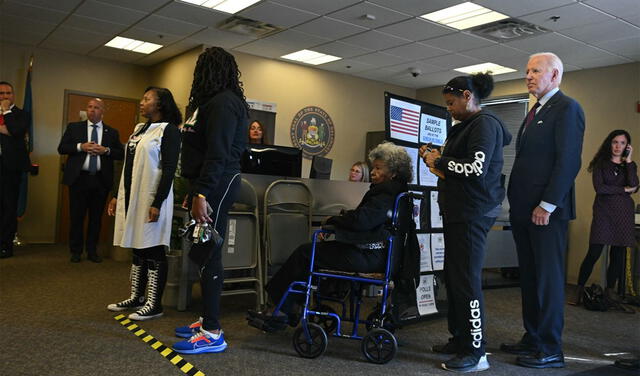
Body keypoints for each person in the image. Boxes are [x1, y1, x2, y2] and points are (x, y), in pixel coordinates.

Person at [247, 142, 411, 331]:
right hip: (380, 255)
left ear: (393, 172)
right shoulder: (399, 193)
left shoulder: (385, 193)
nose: (373, 172)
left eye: (378, 168)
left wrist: (334, 221)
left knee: (305, 253)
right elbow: (367, 222)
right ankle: (289, 307)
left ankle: (281, 310)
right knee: (312, 253)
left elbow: (362, 221)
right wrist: (341, 221)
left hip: (368, 257)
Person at [420, 73, 511, 373]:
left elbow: (474, 169)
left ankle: (476, 352)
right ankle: (460, 339)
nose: (448, 108)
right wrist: (435, 162)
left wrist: (439, 160)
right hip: (458, 212)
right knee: (455, 277)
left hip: (472, 214)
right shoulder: (464, 127)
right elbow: (456, 173)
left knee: (468, 281)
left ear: (467, 96)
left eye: (451, 102)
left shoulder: (484, 125)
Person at [502, 52, 585, 369]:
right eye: (527, 71)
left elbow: (568, 161)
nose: (528, 75)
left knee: (548, 281)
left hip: (546, 212)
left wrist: (547, 204)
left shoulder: (567, 108)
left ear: (555, 76)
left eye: (536, 70)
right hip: (524, 211)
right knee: (530, 278)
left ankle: (551, 348)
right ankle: (533, 337)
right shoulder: (534, 110)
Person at [171, 47, 249, 354]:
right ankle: (207, 318)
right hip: (207, 183)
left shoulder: (223, 104)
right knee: (202, 251)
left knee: (209, 250)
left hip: (218, 183)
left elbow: (218, 153)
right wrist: (195, 190)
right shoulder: (210, 103)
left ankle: (213, 332)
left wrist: (203, 192)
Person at [106, 87, 182, 321]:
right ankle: (137, 297)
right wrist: (117, 195)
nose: (141, 102)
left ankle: (154, 303)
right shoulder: (139, 129)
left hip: (152, 197)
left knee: (153, 247)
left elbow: (169, 169)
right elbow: (128, 165)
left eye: (147, 99)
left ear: (159, 105)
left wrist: (157, 202)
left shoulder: (168, 130)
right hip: (132, 196)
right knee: (138, 246)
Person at [570, 130, 638, 305]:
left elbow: (635, 185)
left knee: (617, 254)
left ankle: (609, 292)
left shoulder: (630, 165)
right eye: (615, 142)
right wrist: (623, 190)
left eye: (622, 143)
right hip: (604, 213)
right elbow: (600, 189)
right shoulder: (601, 164)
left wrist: (629, 161)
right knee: (594, 252)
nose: (618, 146)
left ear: (627, 146)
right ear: (610, 143)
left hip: (623, 214)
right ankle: (578, 290)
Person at [58, 98, 124, 263]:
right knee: (77, 217)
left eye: (96, 108)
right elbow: (62, 148)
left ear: (102, 111)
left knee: (96, 218)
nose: (92, 110)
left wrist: (106, 150)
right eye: (89, 107)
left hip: (100, 181)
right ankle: (76, 251)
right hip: (79, 179)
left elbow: (120, 153)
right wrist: (81, 147)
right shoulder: (74, 128)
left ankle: (92, 251)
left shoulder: (112, 132)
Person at [0, 81, 30, 259]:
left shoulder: (21, 114)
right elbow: (10, 132)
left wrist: (7, 112)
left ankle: (5, 245)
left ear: (13, 95)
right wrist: (6, 130)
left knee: (9, 208)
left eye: (8, 93)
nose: (5, 96)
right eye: (1, 93)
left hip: (11, 168)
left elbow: (17, 131)